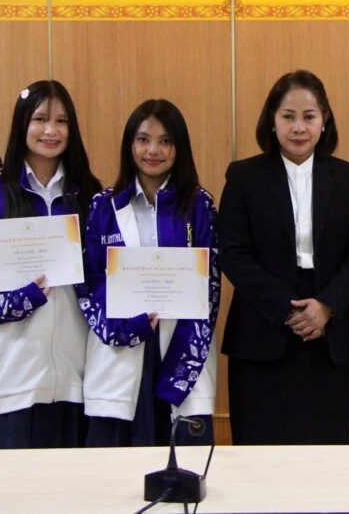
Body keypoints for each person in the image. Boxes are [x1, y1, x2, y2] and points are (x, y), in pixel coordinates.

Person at [218, 69, 349, 445]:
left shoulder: (348, 178)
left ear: (324, 120)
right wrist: (287, 309)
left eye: (309, 116)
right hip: (261, 334)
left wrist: (326, 306)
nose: (299, 127)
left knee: (325, 455)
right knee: (258, 455)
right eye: (288, 116)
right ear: (272, 120)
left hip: (329, 335)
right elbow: (233, 254)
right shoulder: (244, 176)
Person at [0, 80, 101, 449]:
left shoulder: (89, 193)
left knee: (75, 481)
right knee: (16, 481)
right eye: (40, 119)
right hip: (11, 372)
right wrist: (16, 301)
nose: (51, 131)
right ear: (22, 123)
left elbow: (104, 272)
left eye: (61, 121)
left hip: (79, 371)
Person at [79, 99, 220, 447]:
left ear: (179, 147)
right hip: (119, 352)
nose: (153, 150)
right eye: (143, 139)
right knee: (116, 470)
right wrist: (125, 329)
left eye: (165, 141)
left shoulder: (199, 205)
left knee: (183, 466)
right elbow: (90, 282)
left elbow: (210, 289)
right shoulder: (104, 205)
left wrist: (184, 366)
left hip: (181, 350)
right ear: (130, 145)